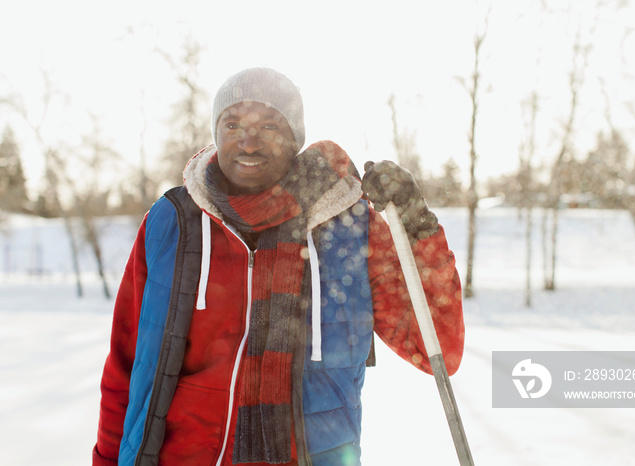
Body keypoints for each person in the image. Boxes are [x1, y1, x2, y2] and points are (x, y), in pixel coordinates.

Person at [93, 67, 464, 466]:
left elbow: (436, 347)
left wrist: (416, 228)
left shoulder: (348, 229)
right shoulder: (174, 221)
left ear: (295, 139)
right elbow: (126, 368)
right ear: (216, 134)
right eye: (232, 123)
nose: (248, 142)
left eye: (269, 125)